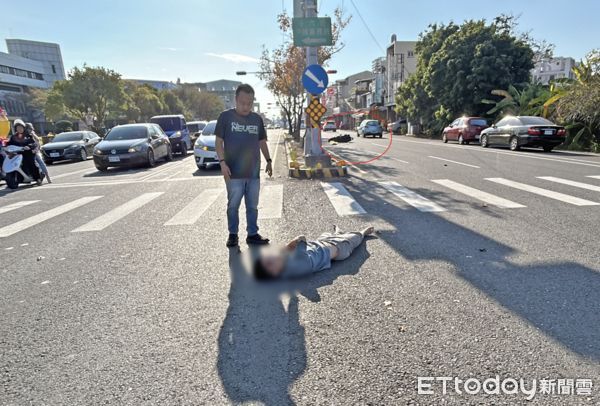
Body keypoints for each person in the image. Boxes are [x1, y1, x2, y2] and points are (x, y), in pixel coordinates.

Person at [215, 83, 273, 247]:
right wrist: (222, 163)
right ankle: (233, 235)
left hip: (253, 172)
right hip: (233, 173)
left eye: (249, 103)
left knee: (252, 206)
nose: (246, 106)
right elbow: (218, 142)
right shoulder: (225, 117)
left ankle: (252, 234)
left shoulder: (256, 119)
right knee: (233, 206)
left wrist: (268, 161)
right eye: (242, 103)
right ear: (236, 99)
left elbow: (262, 141)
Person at [253, 226, 375, 280]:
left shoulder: (285, 266)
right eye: (270, 263)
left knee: (327, 234)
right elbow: (301, 239)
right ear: (274, 273)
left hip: (320, 243)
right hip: (339, 248)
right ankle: (363, 232)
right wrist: (289, 245)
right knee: (355, 238)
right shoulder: (295, 268)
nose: (273, 257)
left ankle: (338, 232)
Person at [8, 119, 43, 185]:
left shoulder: (28, 135)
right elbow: (10, 143)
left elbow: (34, 143)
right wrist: (5, 146)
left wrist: (29, 146)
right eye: (18, 128)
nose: (19, 129)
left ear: (23, 128)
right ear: (15, 129)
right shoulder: (13, 137)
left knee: (31, 163)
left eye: (21, 127)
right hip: (18, 153)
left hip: (28, 153)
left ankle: (37, 178)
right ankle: (19, 178)